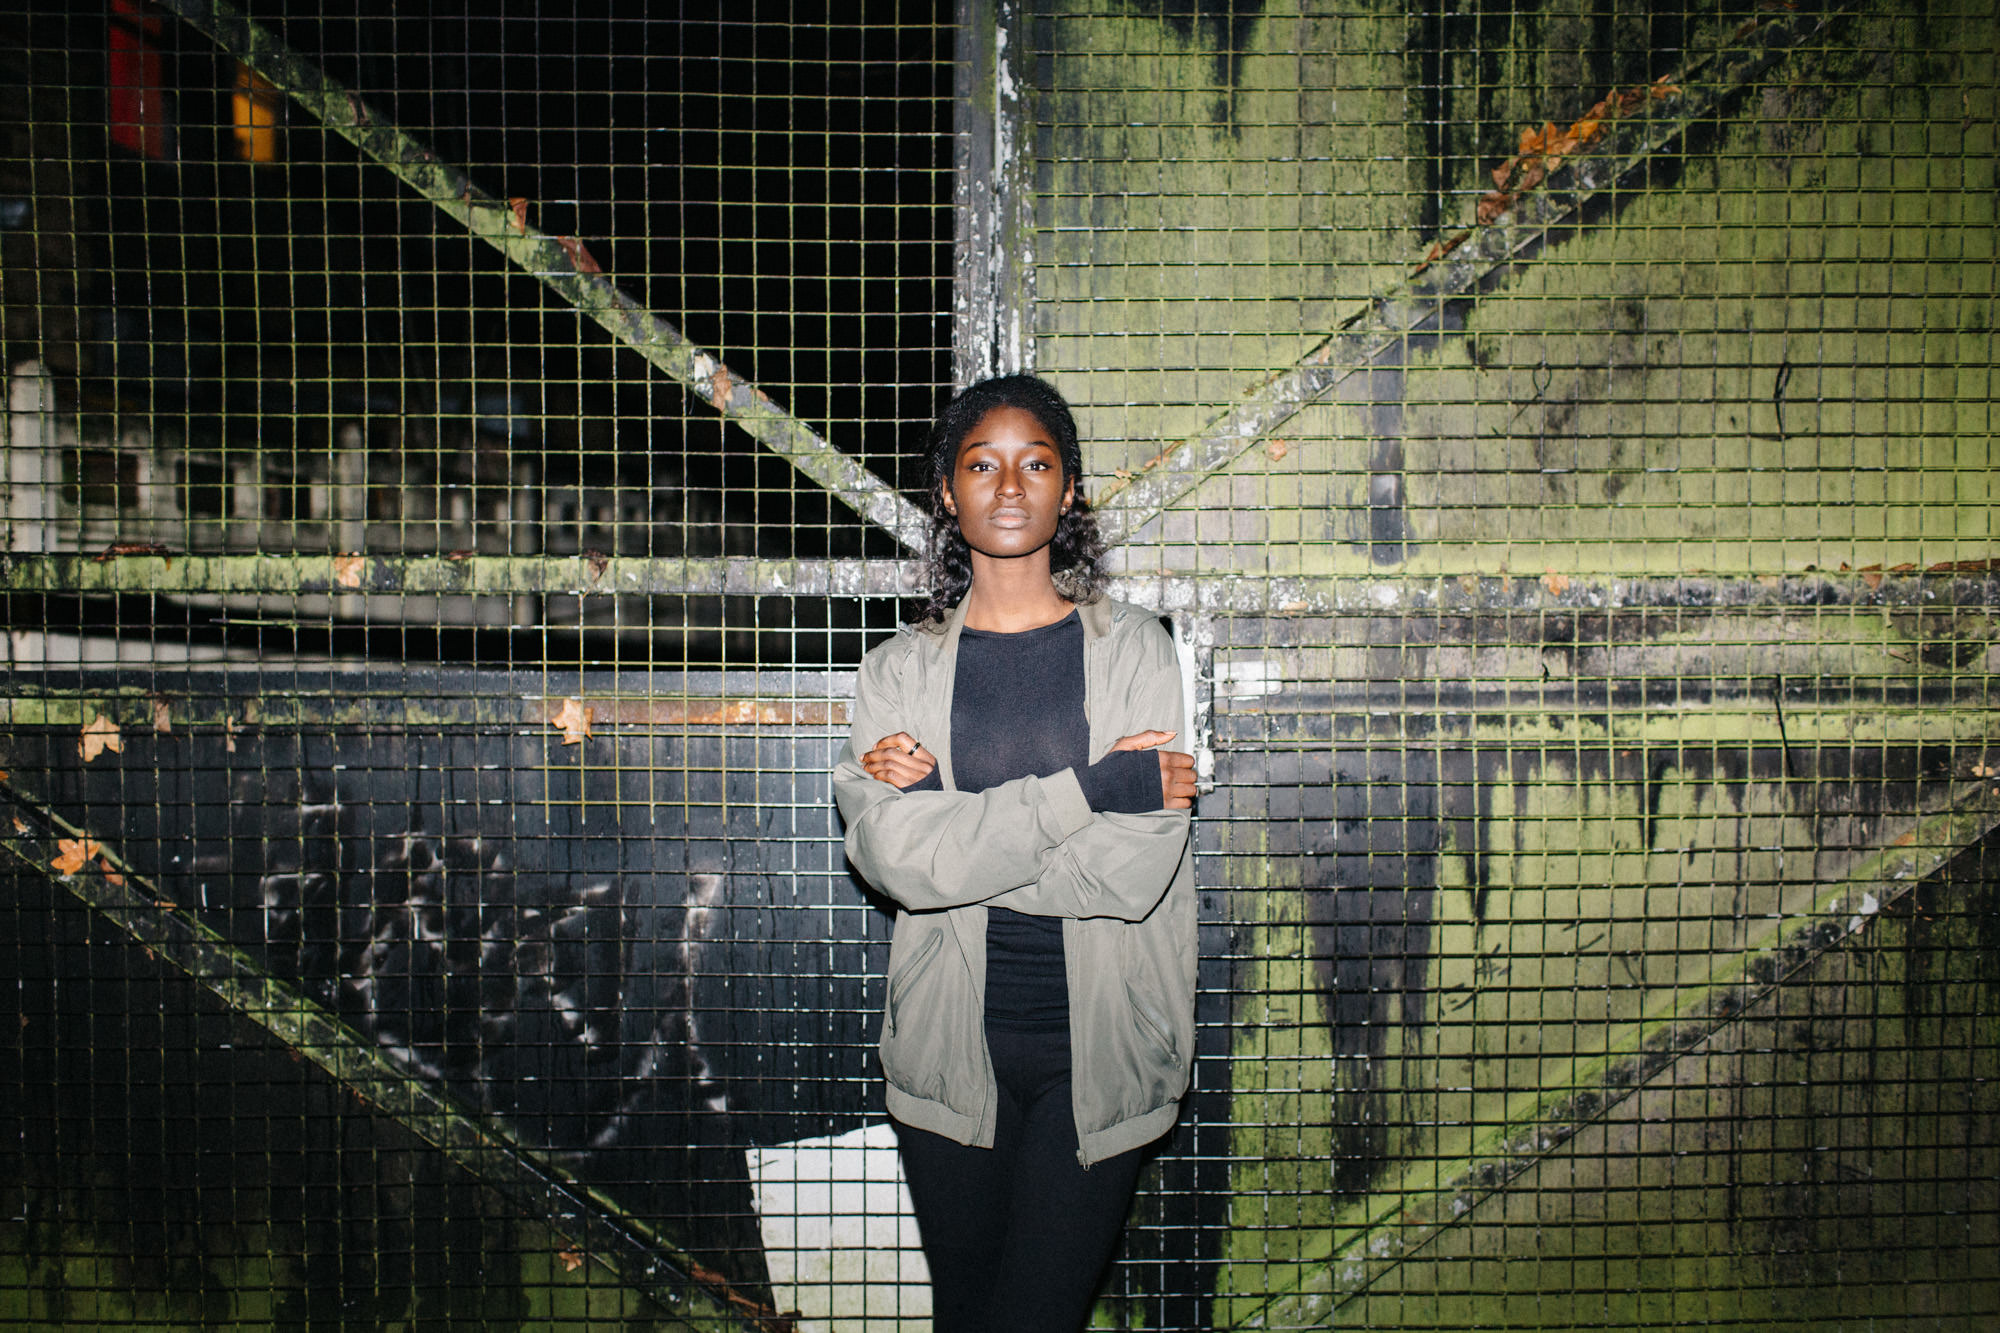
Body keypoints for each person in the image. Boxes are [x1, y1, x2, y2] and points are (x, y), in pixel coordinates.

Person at [832, 374, 1198, 1332]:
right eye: (980, 464)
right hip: (950, 1053)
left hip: (1108, 1045)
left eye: (1036, 463)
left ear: (1068, 488)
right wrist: (1093, 791)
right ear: (948, 492)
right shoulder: (896, 671)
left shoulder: (1137, 651)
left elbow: (1129, 874)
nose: (1008, 485)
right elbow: (893, 858)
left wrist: (952, 825)